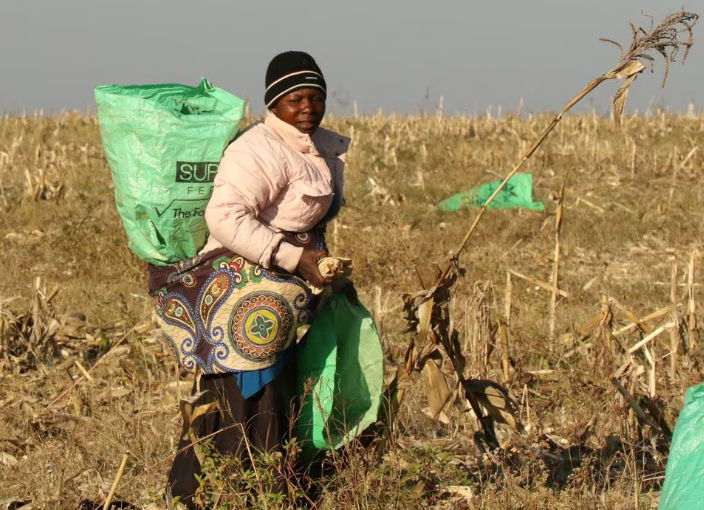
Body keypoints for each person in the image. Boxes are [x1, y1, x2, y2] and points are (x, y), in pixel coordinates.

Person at [147, 51, 350, 508]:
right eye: (295, 99)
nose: (308, 107)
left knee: (278, 377)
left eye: (315, 97)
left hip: (279, 282)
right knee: (247, 379)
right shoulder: (257, 150)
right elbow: (223, 217)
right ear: (273, 103)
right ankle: (222, 488)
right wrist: (294, 258)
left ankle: (269, 485)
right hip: (238, 281)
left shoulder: (319, 147)